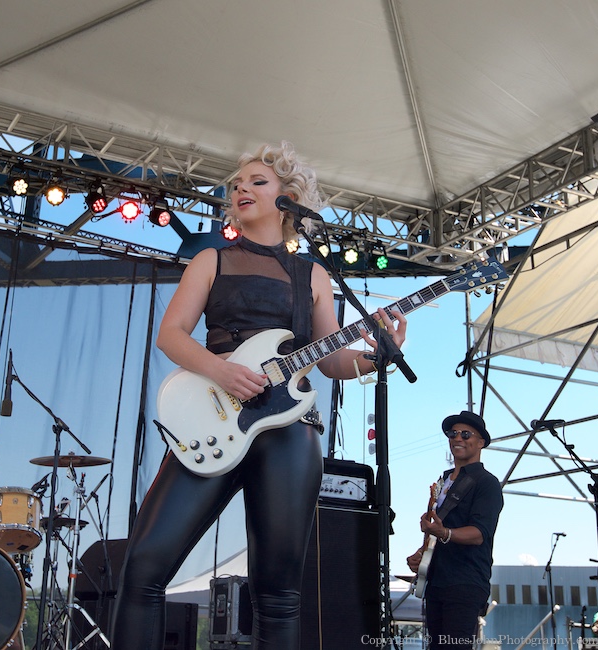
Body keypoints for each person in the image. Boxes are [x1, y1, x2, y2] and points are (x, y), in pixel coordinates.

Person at [110, 141, 407, 649]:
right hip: (212, 418)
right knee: (143, 569)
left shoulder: (312, 274)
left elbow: (328, 359)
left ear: (288, 197)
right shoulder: (211, 260)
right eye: (235, 184)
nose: (241, 189)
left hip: (289, 433)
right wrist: (221, 372)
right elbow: (172, 334)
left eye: (257, 182)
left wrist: (376, 356)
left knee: (278, 596)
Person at [406, 411, 504, 650]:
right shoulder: (444, 481)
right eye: (453, 433)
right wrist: (423, 555)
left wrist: (444, 533)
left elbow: (480, 533)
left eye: (466, 434)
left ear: (481, 442)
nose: (457, 438)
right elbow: (437, 528)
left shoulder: (486, 482)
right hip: (436, 581)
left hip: (465, 582)